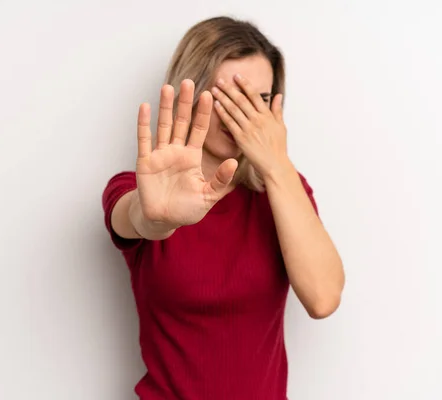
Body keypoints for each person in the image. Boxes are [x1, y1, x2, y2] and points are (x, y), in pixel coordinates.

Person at [102, 15, 345, 400]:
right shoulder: (139, 189)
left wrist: (276, 163)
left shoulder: (284, 192)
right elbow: (138, 217)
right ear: (192, 91)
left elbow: (323, 298)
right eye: (226, 96)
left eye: (259, 100)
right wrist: (153, 215)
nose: (242, 114)